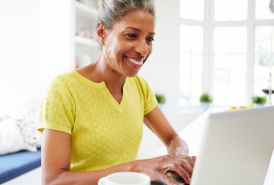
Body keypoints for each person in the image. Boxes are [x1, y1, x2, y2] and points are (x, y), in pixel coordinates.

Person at [38, 0, 196, 184]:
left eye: (149, 39)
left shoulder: (139, 86)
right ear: (102, 33)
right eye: (131, 35)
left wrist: (178, 159)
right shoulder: (63, 90)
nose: (143, 49)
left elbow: (173, 138)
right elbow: (52, 181)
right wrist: (134, 168)